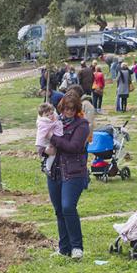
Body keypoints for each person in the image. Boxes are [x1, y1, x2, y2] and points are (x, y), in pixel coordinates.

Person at [45, 93, 90, 260]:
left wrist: (53, 138)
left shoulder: (82, 125)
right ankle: (64, 248)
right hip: (55, 171)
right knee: (59, 211)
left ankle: (77, 247)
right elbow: (45, 142)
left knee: (68, 207)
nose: (68, 112)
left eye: (72, 109)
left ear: (76, 109)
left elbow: (74, 147)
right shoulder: (56, 123)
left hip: (74, 172)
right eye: (65, 109)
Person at [36, 103, 64, 174]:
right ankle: (47, 168)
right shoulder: (43, 122)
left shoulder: (54, 118)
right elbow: (41, 134)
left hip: (51, 141)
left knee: (52, 153)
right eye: (47, 115)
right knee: (52, 153)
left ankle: (46, 165)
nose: (50, 116)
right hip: (45, 143)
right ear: (42, 115)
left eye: (51, 113)